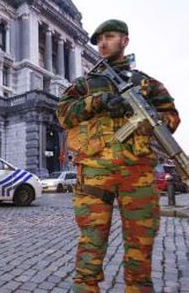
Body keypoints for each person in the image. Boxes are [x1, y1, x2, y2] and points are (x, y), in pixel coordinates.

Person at [56, 19, 181, 292]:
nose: (102, 43)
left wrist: (145, 116)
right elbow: (63, 115)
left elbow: (172, 117)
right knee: (91, 245)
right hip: (93, 172)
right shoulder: (85, 84)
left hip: (138, 172)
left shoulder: (146, 83)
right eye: (99, 39)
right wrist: (98, 102)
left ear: (124, 41)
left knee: (140, 247)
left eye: (109, 37)